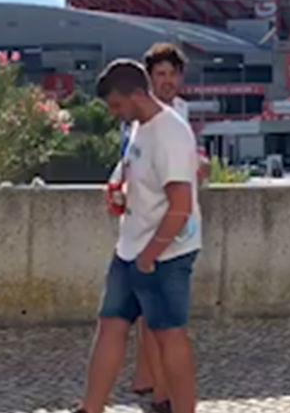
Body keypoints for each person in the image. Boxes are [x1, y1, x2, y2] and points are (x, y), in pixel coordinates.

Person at [75, 60, 202, 413]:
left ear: (135, 95)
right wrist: (119, 192)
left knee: (168, 333)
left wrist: (150, 255)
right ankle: (91, 408)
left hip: (165, 254)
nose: (114, 113)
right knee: (111, 324)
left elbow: (181, 205)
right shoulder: (138, 128)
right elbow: (138, 177)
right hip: (130, 246)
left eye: (116, 105)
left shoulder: (171, 134)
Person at [128, 42, 207, 409]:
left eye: (172, 74)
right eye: (160, 74)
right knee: (156, 318)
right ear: (149, 79)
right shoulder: (139, 117)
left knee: (164, 319)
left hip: (178, 232)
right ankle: (160, 392)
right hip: (150, 229)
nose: (168, 81)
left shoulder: (181, 113)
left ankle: (161, 392)